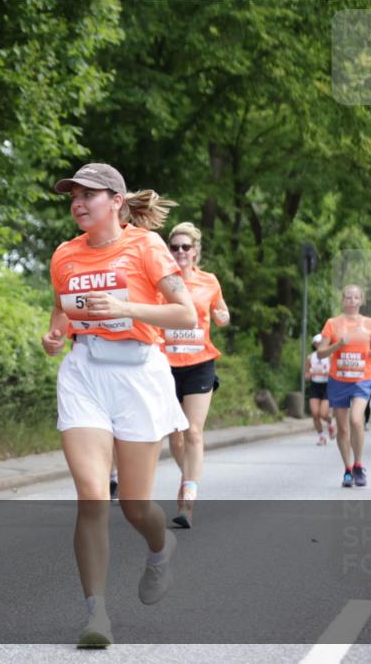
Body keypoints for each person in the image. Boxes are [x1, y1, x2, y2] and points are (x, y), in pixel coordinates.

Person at [41, 163, 195, 648]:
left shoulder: (146, 246)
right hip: (85, 372)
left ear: (116, 201)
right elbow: (62, 309)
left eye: (88, 195)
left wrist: (126, 307)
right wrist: (55, 335)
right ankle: (97, 615)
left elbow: (186, 313)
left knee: (134, 505)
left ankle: (160, 546)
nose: (78, 203)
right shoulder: (65, 254)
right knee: (91, 495)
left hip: (138, 375)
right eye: (73, 196)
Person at [160, 222, 230, 528]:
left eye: (185, 247)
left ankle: (188, 500)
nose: (180, 252)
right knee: (175, 437)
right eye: (174, 247)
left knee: (193, 432)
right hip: (165, 365)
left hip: (200, 362)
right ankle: (189, 474)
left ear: (195, 251)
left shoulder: (209, 281)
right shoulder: (162, 281)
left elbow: (222, 312)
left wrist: (223, 316)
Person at [316, 285, 371, 487]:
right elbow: (320, 353)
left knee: (356, 419)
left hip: (362, 379)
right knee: (342, 429)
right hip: (338, 381)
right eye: (348, 297)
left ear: (361, 300)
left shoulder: (370, 323)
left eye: (356, 297)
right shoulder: (332, 323)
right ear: (343, 300)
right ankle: (348, 470)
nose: (352, 301)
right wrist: (338, 345)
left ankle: (359, 465)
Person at [305, 333, 334, 446]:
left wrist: (328, 373)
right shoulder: (310, 357)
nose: (319, 345)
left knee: (323, 413)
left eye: (321, 343)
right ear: (314, 345)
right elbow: (306, 373)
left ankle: (331, 423)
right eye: (317, 343)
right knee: (315, 413)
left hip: (327, 386)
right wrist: (308, 375)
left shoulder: (330, 356)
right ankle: (321, 436)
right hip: (315, 386)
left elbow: (334, 372)